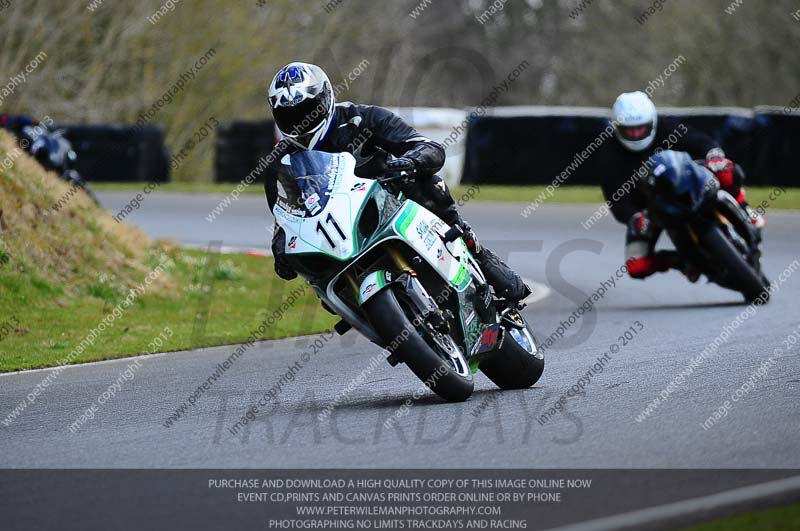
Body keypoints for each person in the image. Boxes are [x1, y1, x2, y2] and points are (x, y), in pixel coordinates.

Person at [264, 62, 530, 302]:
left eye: (308, 110)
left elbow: (428, 147)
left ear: (326, 98)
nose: (301, 122)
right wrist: (280, 250)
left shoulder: (363, 119)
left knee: (429, 185)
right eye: (291, 117)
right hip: (339, 233)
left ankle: (477, 253)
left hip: (389, 203)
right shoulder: (281, 162)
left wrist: (410, 162)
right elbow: (285, 217)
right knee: (311, 268)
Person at [603, 91, 764, 280]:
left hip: (688, 183)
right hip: (651, 208)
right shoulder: (609, 153)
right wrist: (633, 217)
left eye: (641, 128)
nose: (636, 133)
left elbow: (699, 141)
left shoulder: (665, 128)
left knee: (726, 170)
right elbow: (616, 199)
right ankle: (681, 262)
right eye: (629, 130)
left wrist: (713, 155)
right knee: (636, 266)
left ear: (652, 122)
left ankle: (745, 209)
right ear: (617, 128)